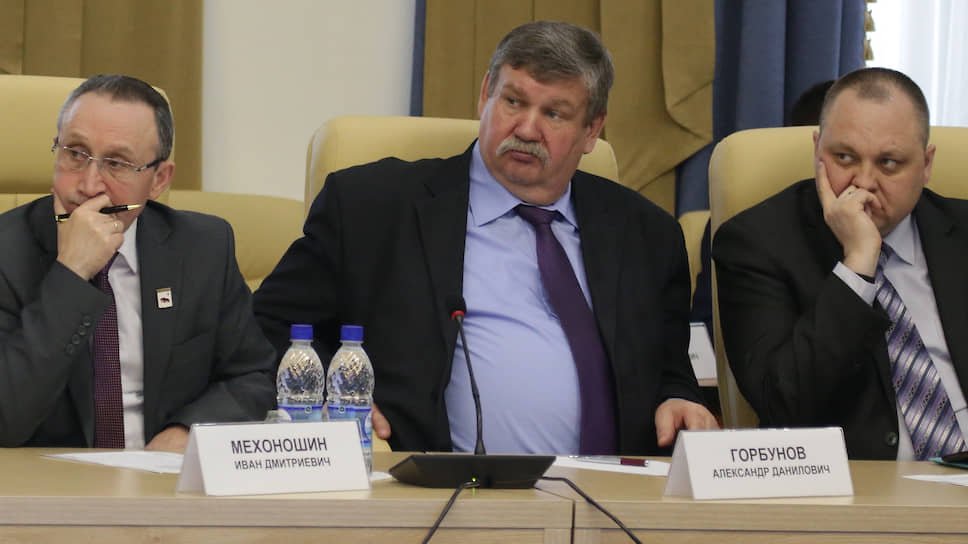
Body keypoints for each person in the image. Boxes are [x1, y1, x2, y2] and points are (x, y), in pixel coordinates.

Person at [255, 21, 716, 455]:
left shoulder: (647, 235)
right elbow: (266, 329)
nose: (527, 129)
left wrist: (679, 397)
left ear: (592, 130)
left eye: (554, 113)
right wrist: (329, 397)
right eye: (513, 101)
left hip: (616, 498)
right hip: (435, 490)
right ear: (484, 96)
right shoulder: (372, 208)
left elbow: (669, 369)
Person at [0, 74, 276, 451]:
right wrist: (72, 273)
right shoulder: (7, 252)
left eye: (116, 163)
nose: (89, 185)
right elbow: (7, 420)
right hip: (48, 482)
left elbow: (252, 376)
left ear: (159, 179)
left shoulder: (203, 248)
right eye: (75, 154)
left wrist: (188, 432)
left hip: (163, 477)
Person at [713, 67, 968, 460]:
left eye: (889, 163)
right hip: (856, 486)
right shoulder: (756, 243)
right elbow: (783, 403)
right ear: (817, 150)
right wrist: (857, 267)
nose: (863, 182)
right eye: (844, 157)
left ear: (926, 163)